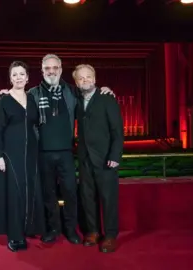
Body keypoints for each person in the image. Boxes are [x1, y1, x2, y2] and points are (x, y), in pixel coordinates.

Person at [0, 54, 115, 245]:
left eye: (55, 68)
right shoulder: (32, 93)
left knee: (70, 193)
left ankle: (71, 230)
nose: (51, 71)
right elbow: (16, 97)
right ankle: (53, 229)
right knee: (48, 194)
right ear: (42, 71)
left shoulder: (72, 91)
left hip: (66, 153)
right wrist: (5, 93)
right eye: (47, 68)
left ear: (60, 69)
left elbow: (90, 93)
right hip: (42, 153)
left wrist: (104, 90)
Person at [0, 61, 46, 252]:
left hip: (30, 153)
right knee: (15, 194)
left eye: (22, 74)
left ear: (28, 77)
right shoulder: (4, 99)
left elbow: (36, 124)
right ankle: (15, 235)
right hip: (10, 153)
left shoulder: (32, 99)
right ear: (10, 78)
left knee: (30, 191)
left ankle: (29, 227)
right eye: (15, 75)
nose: (19, 78)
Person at [74, 64, 124, 252]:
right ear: (77, 82)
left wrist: (115, 155)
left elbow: (117, 130)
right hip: (85, 158)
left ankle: (110, 235)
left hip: (106, 159)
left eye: (88, 77)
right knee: (87, 197)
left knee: (108, 198)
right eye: (81, 78)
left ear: (94, 79)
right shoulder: (76, 100)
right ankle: (93, 231)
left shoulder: (106, 98)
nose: (85, 80)